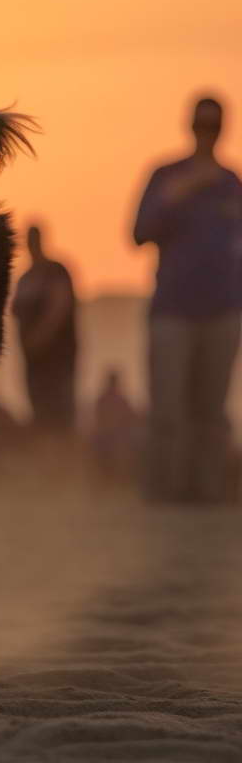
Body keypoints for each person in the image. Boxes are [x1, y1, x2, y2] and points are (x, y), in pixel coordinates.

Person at [133, 94, 242, 503]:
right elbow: (139, 232)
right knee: (168, 410)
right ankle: (165, 493)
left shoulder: (232, 184)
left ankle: (209, 493)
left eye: (214, 125)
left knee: (211, 411)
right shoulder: (165, 176)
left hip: (224, 312)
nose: (207, 133)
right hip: (173, 311)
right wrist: (178, 193)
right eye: (201, 124)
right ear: (190, 126)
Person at [12, 224, 78, 432]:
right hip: (33, 360)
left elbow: (60, 307)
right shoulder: (25, 278)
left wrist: (40, 337)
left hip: (57, 357)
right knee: (38, 407)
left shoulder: (55, 271)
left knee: (59, 409)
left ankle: (61, 451)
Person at [89, 367, 144, 485]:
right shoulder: (106, 400)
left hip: (112, 439)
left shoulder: (107, 400)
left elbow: (132, 417)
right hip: (108, 439)